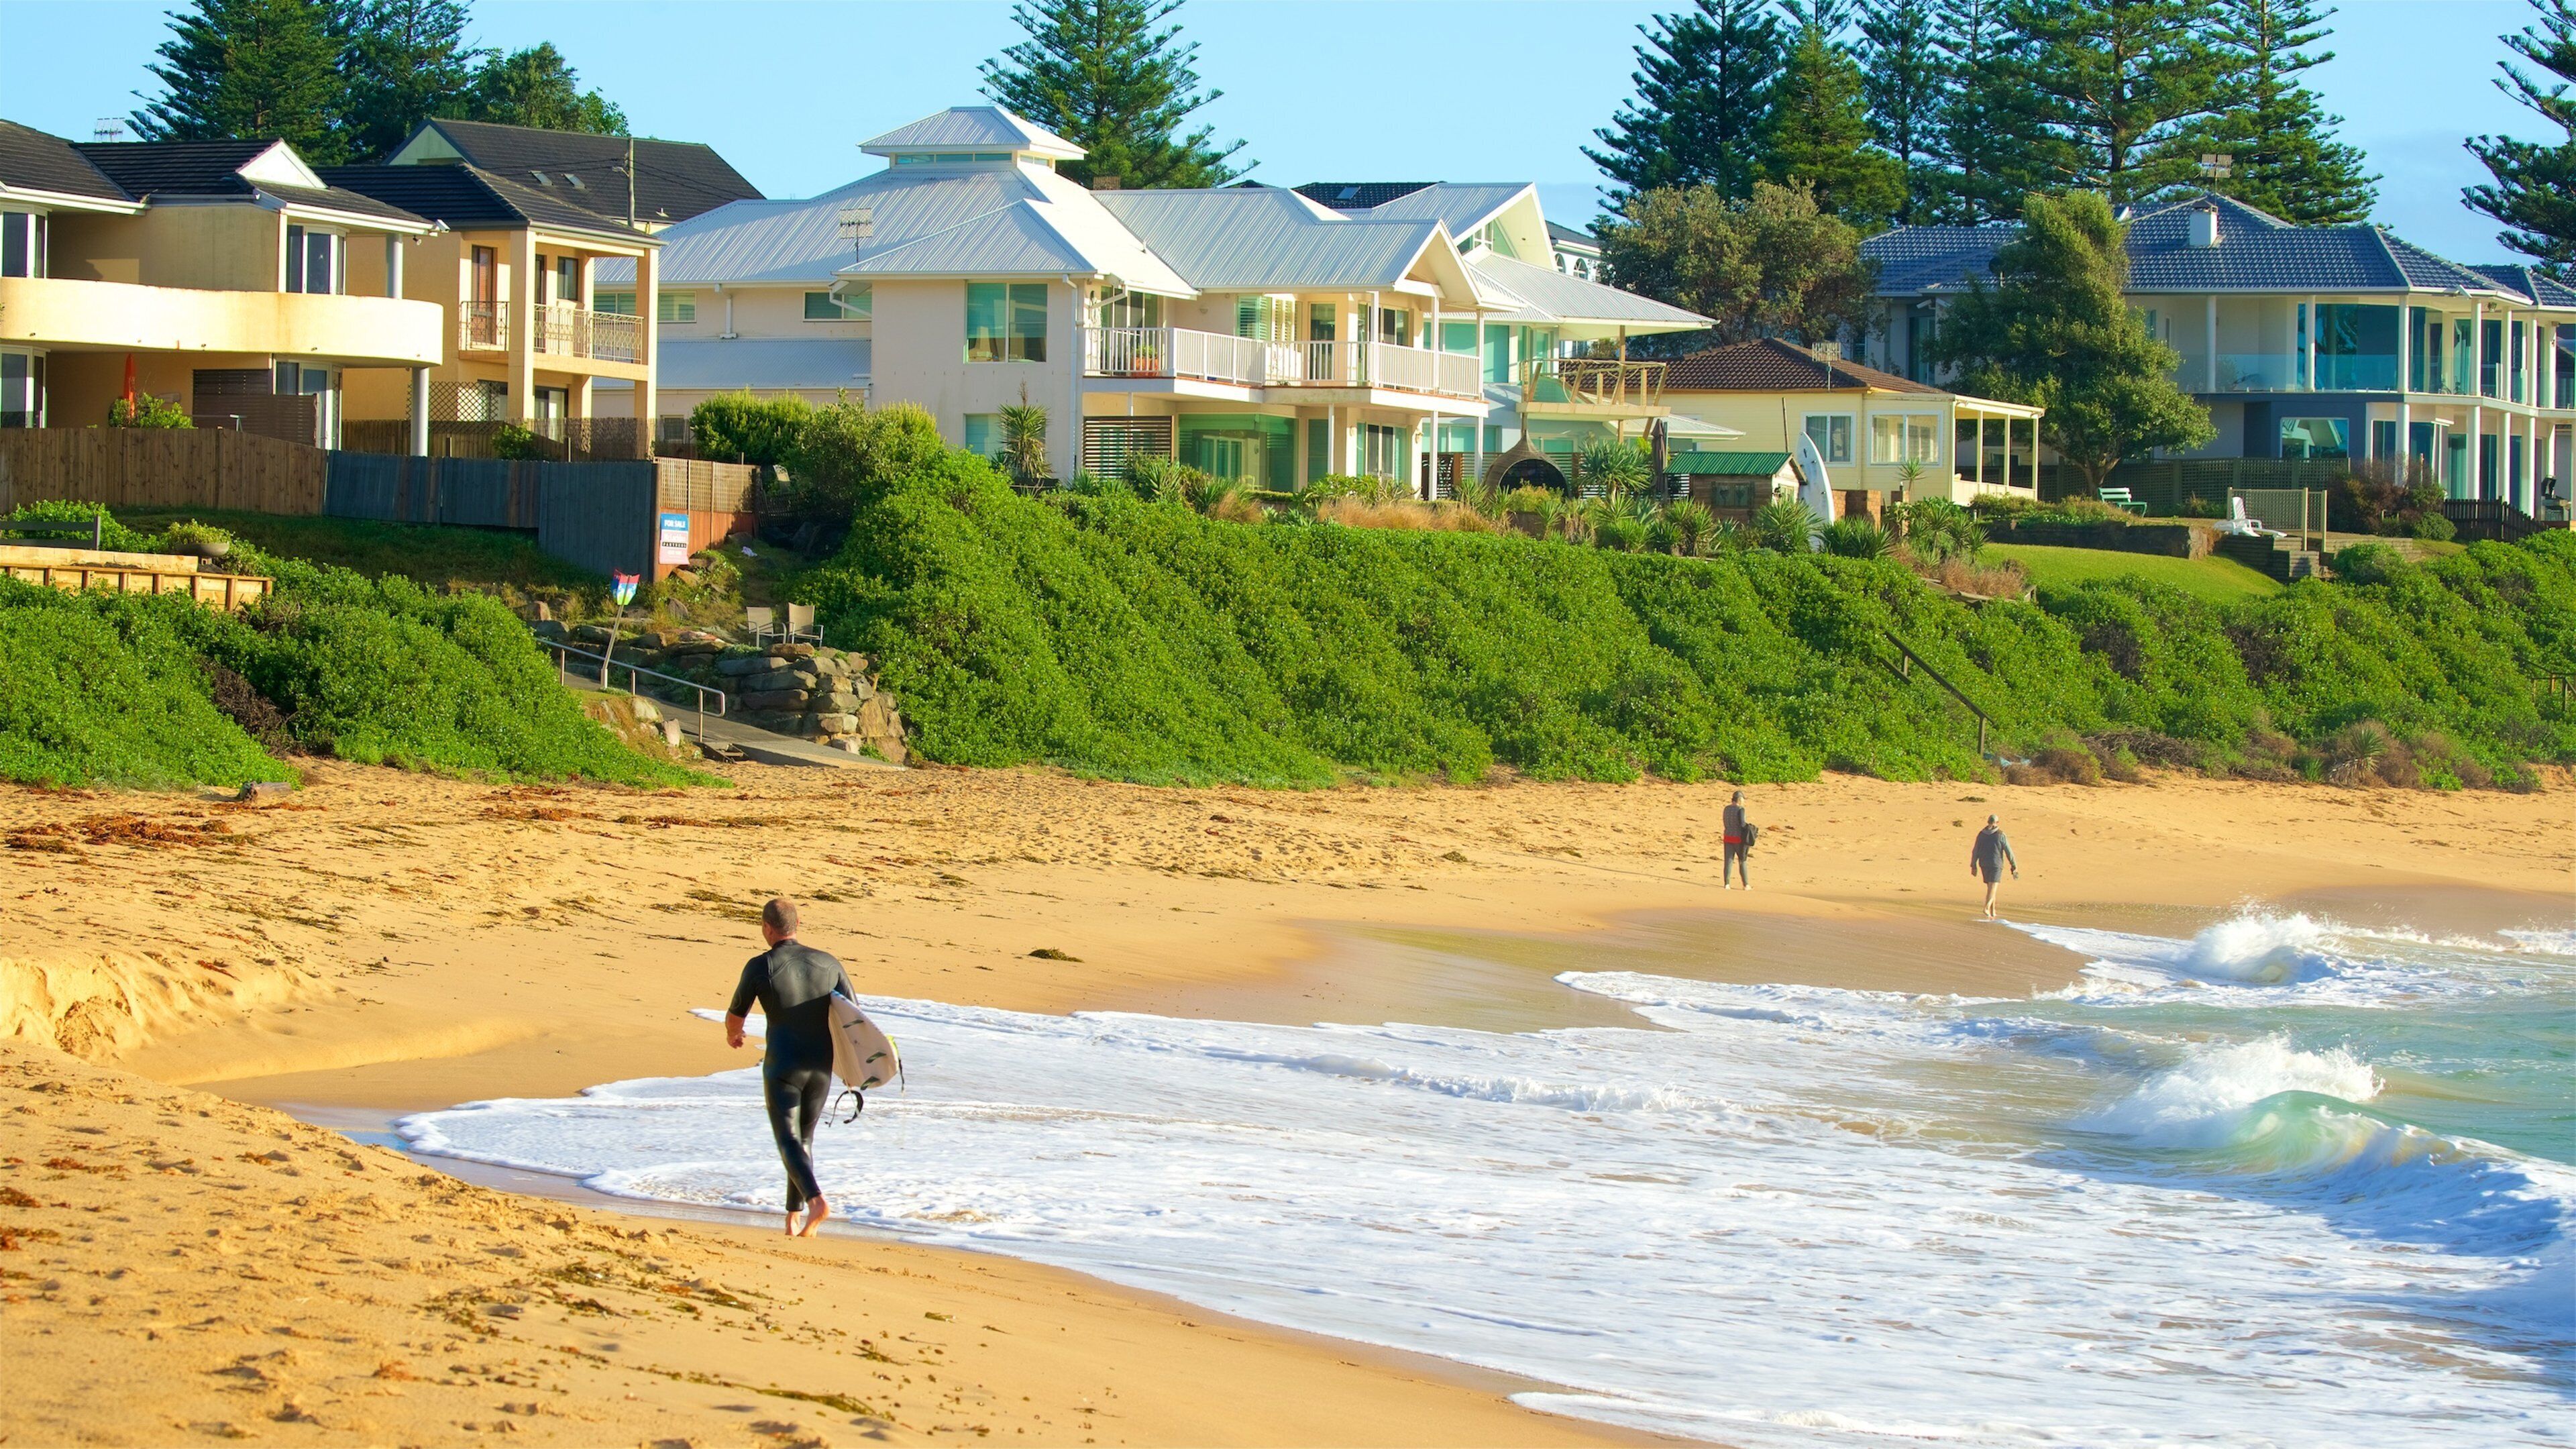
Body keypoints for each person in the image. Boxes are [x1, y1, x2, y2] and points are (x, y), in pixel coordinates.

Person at [723, 897, 853, 1236]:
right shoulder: (829, 963)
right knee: (803, 1140)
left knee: (787, 1140)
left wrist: (734, 1035)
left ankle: (816, 1201)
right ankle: (793, 1218)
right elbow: (854, 1018)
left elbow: (737, 1014)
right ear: (798, 925)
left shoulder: (760, 965)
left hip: (783, 1065)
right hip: (821, 1067)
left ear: (767, 929)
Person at [1969, 814, 2018, 919]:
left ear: (1988, 822)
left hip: (1984, 864)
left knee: (1991, 888)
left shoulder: (1981, 834)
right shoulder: (2001, 834)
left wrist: (1974, 865)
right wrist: (2014, 865)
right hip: (1996, 864)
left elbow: (1975, 851)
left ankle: (1993, 911)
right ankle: (1986, 908)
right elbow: (2009, 851)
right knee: (1993, 888)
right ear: (1997, 823)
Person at [1721, 790, 1753, 890]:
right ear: (1740, 799)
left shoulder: (1726, 809)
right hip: (1738, 838)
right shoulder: (1740, 809)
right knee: (1742, 860)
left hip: (1727, 836)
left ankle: (1727, 884)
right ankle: (1746, 884)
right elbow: (1742, 824)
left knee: (1728, 861)